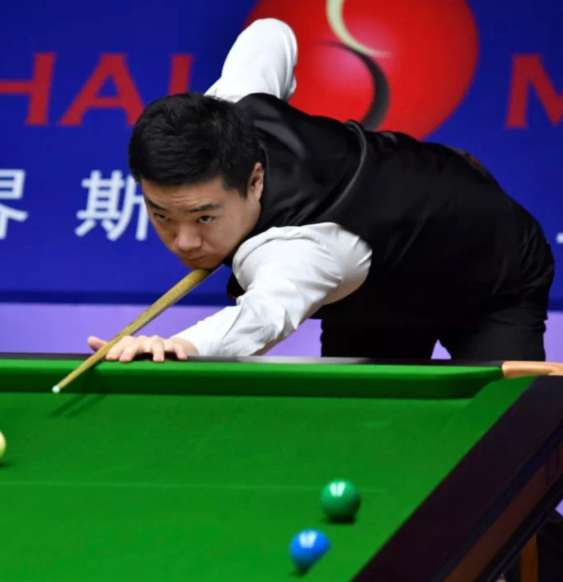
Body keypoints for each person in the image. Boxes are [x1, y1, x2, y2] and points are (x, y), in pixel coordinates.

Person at [88, 19, 558, 580]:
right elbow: (270, 33)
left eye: (204, 218)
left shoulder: (302, 252)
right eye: (161, 215)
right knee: (361, 454)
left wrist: (179, 345)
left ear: (254, 181)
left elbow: (262, 316)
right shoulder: (230, 109)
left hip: (488, 274)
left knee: (501, 470)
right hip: (373, 293)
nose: (184, 241)